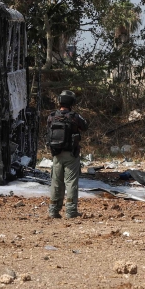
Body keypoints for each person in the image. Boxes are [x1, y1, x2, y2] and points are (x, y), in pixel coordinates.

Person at [47, 90, 89, 219]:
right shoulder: (75, 117)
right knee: (71, 182)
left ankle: (53, 210)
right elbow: (85, 126)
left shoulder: (51, 116)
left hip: (56, 154)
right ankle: (70, 211)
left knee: (56, 182)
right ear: (72, 102)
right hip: (71, 154)